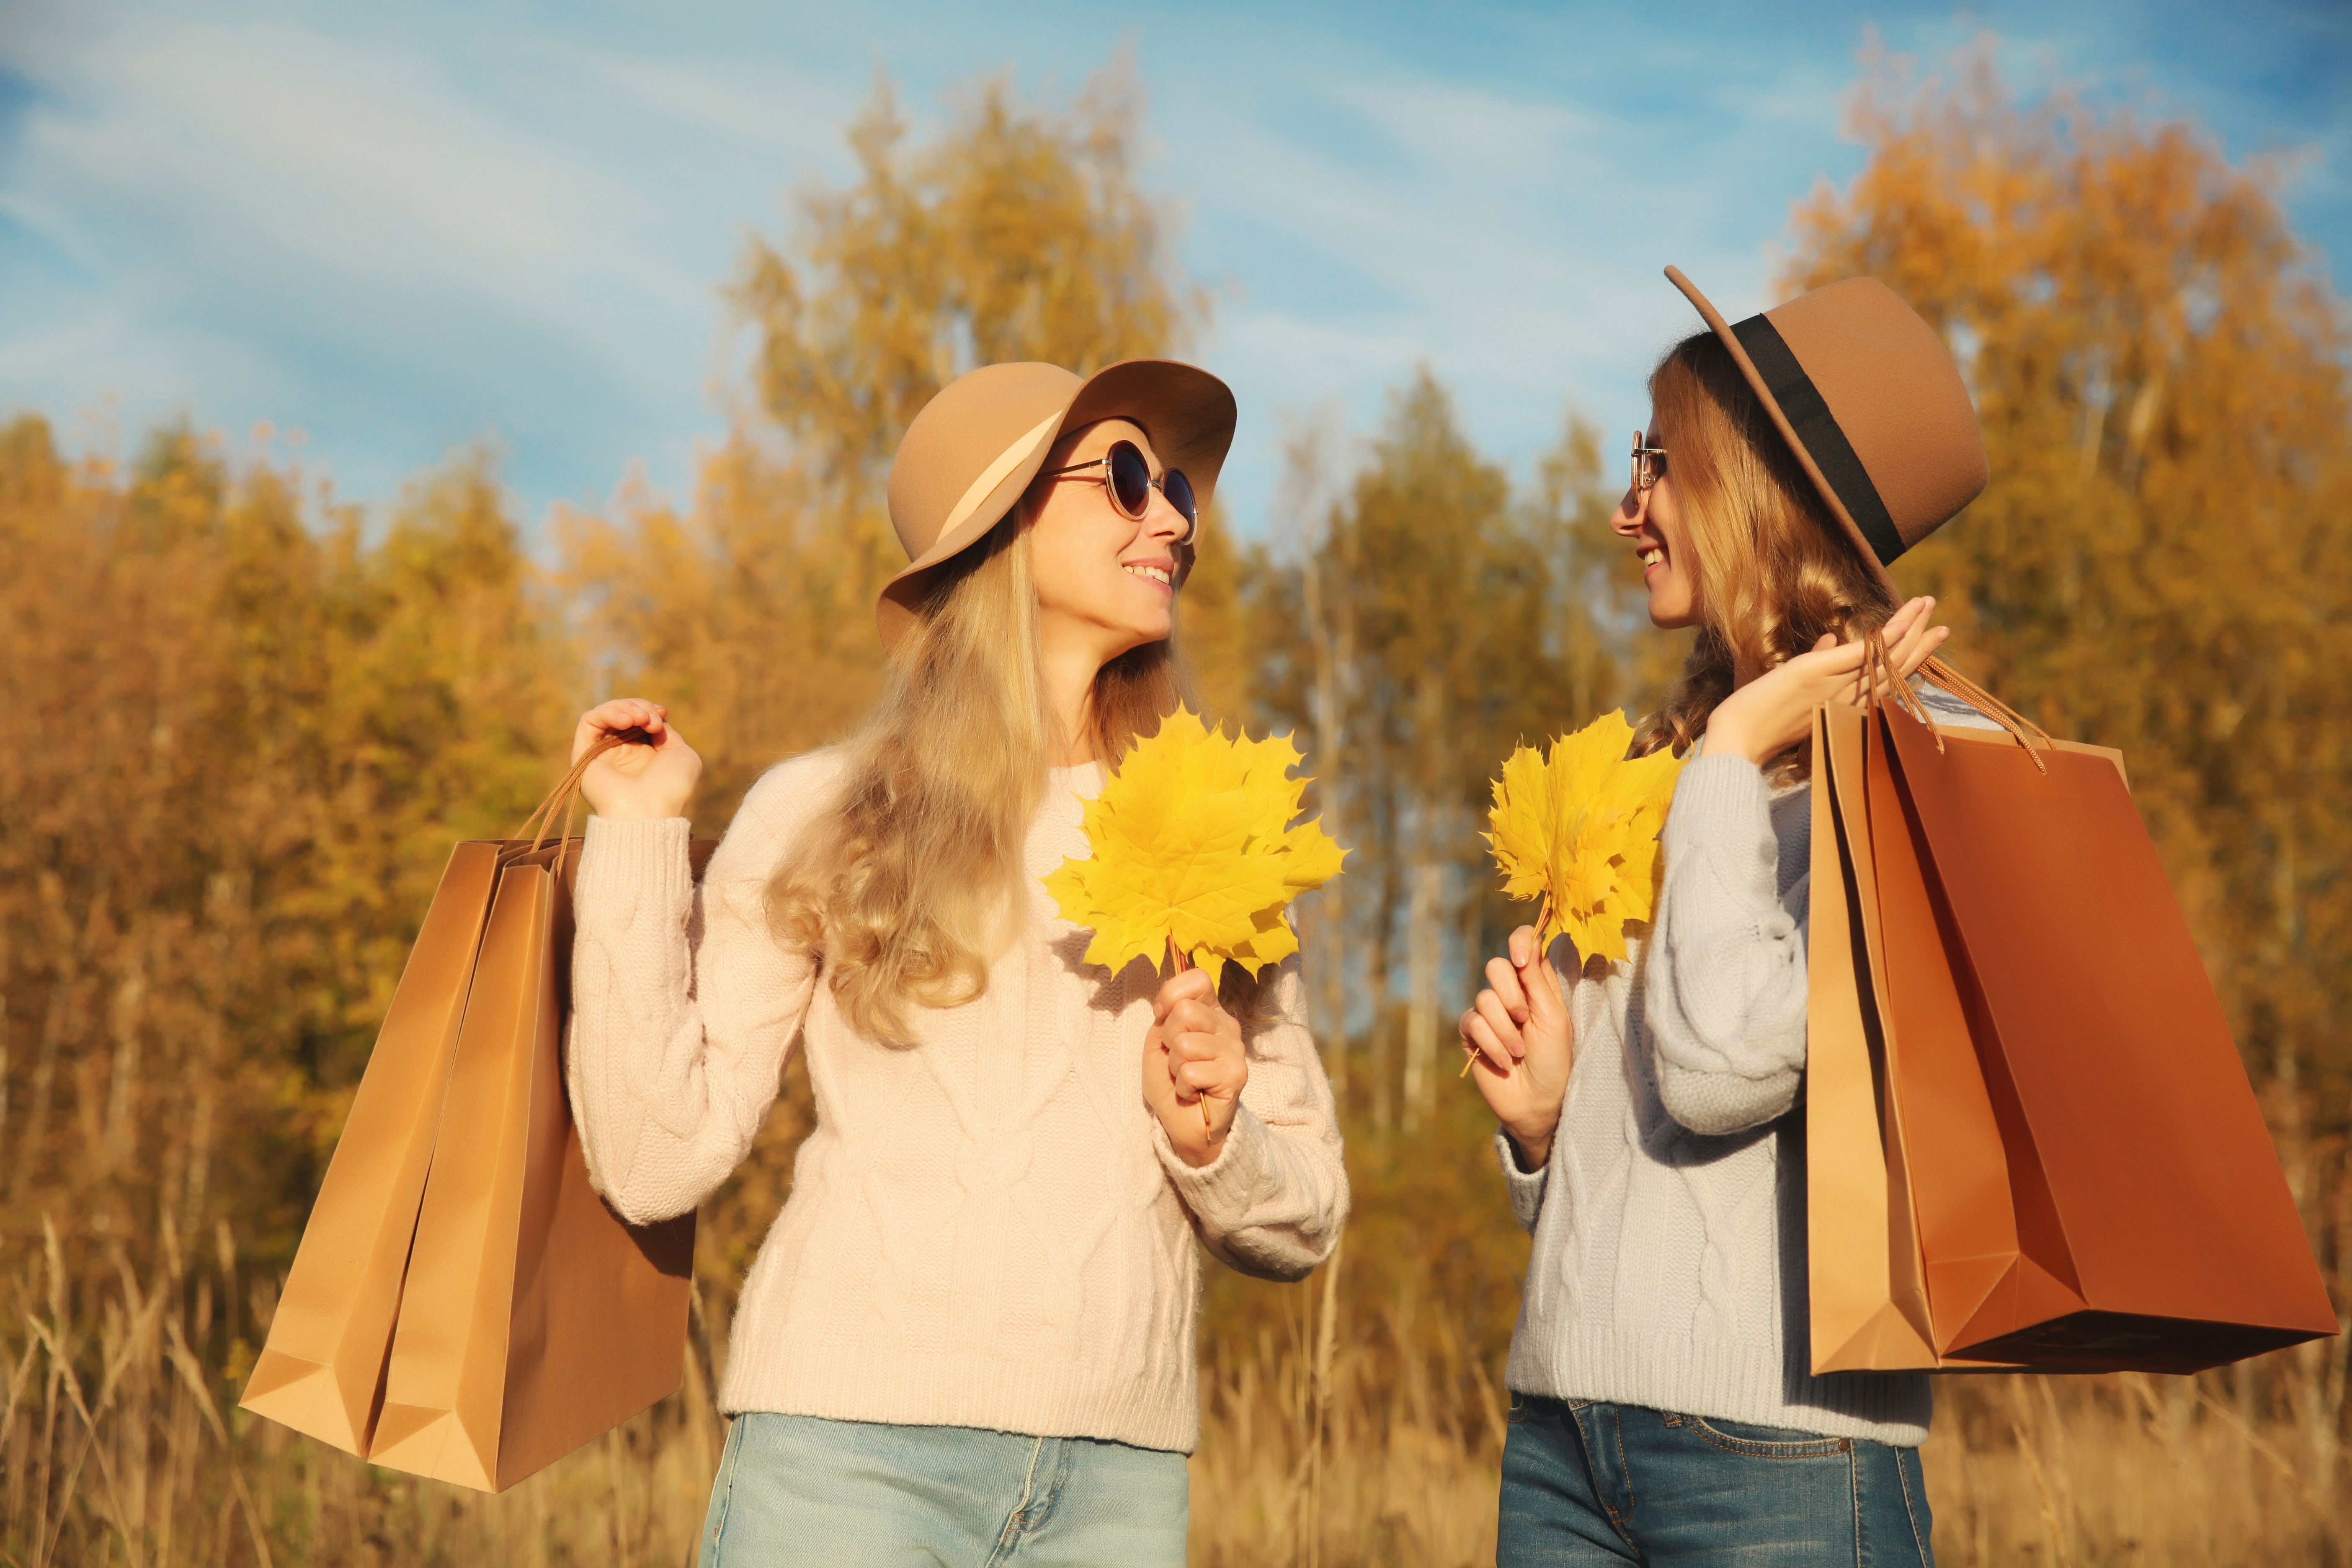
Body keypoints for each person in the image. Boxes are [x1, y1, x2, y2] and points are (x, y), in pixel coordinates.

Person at [564, 360, 1348, 1567]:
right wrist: (633, 838)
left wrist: (1216, 1141)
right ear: (999, 530)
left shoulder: (1223, 827)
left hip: (1116, 1489)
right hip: (846, 1462)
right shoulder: (825, 813)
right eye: (1127, 481)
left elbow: (1308, 1220)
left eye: (1178, 486)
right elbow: (655, 1157)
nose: (1175, 520)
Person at [1460, 267, 2008, 1565]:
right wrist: (1550, 1136)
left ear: (1751, 482)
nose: (1624, 506)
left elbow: (1722, 1077)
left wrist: (1727, 754)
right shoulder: (1664, 764)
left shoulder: (1916, 762)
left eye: (1655, 461)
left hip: (1785, 1462)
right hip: (1561, 1442)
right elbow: (1675, 1173)